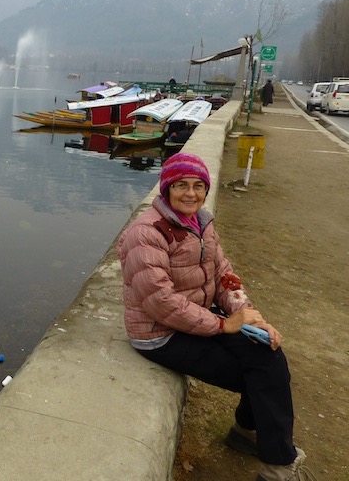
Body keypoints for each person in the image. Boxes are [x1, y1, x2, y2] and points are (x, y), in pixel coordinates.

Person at [117, 152, 315, 481]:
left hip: (200, 318)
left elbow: (224, 275)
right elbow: (161, 303)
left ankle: (247, 433)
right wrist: (224, 324)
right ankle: (278, 467)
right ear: (166, 189)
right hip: (159, 333)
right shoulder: (148, 232)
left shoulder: (201, 223)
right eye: (181, 185)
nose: (191, 194)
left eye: (198, 186)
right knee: (258, 375)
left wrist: (248, 315)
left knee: (269, 355)